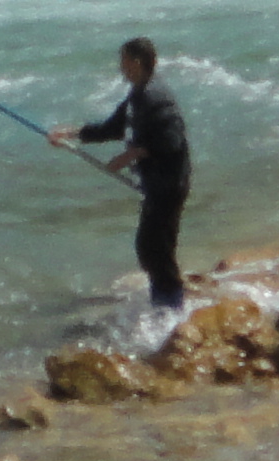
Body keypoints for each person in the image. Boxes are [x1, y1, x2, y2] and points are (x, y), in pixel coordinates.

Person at [53, 37, 192, 312]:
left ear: (136, 63)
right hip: (156, 184)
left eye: (123, 61)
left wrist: (131, 154)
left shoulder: (155, 96)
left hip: (169, 183)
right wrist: (71, 133)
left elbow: (172, 140)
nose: (121, 67)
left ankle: (172, 309)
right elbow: (113, 128)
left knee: (155, 249)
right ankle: (164, 304)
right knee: (149, 248)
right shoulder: (137, 95)